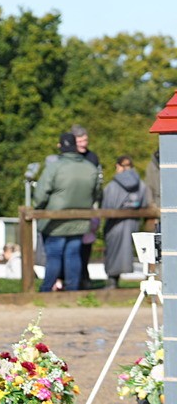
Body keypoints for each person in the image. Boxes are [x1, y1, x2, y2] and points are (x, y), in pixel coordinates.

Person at [34, 132, 100, 292]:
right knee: (73, 254)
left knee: (54, 256)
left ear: (60, 146)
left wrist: (40, 208)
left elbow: (40, 194)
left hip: (54, 220)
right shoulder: (90, 168)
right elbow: (96, 193)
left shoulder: (54, 167)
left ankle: (46, 290)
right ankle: (72, 290)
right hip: (80, 219)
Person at [101, 155, 152, 287]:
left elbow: (106, 206)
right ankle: (149, 282)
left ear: (118, 166)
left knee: (113, 250)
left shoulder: (112, 185)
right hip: (133, 223)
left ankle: (112, 281)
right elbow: (145, 203)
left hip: (115, 224)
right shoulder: (141, 185)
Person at [71, 124, 102, 288]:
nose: (83, 143)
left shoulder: (92, 157)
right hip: (73, 206)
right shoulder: (69, 157)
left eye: (85, 140)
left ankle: (84, 275)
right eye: (80, 140)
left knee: (87, 243)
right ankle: (76, 277)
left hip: (89, 205)